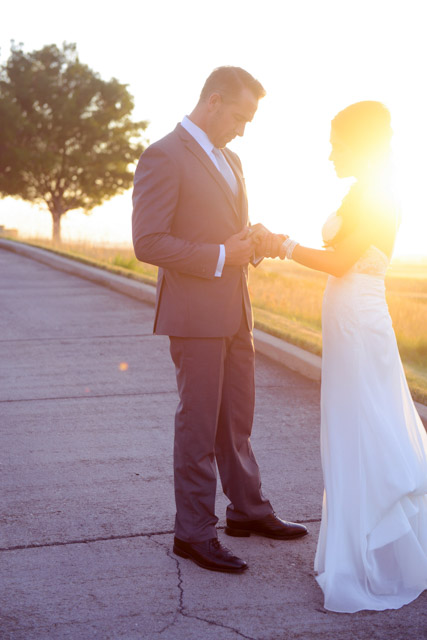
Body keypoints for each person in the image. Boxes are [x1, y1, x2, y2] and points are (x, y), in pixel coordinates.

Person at [132, 66, 307, 574]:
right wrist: (219, 255)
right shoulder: (163, 155)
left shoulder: (232, 157)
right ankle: (193, 532)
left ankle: (248, 511)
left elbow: (226, 232)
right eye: (240, 115)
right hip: (194, 313)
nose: (244, 128)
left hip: (236, 308)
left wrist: (251, 241)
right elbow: (149, 242)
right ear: (212, 101)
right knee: (198, 423)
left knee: (235, 418)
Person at [278, 101, 427, 612]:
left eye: (336, 143)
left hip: (360, 321)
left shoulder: (379, 195)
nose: (328, 153)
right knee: (353, 428)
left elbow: (342, 261)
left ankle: (368, 563)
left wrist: (283, 244)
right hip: (349, 320)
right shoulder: (362, 192)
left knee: (363, 428)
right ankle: (366, 551)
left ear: (358, 145)